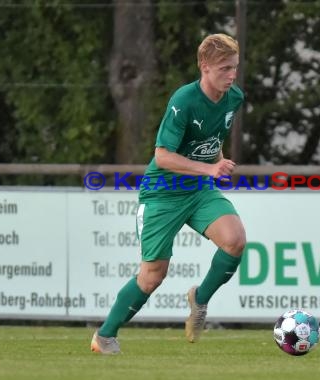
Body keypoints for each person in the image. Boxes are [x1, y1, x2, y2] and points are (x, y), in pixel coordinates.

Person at [91, 33, 246, 354]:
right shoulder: (183, 101)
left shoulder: (233, 98)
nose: (231, 75)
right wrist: (209, 169)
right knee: (152, 276)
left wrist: (217, 160)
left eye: (234, 68)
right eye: (224, 69)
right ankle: (104, 336)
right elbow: (162, 155)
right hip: (163, 193)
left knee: (235, 240)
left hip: (198, 190)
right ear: (204, 66)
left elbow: (210, 140)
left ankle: (199, 299)